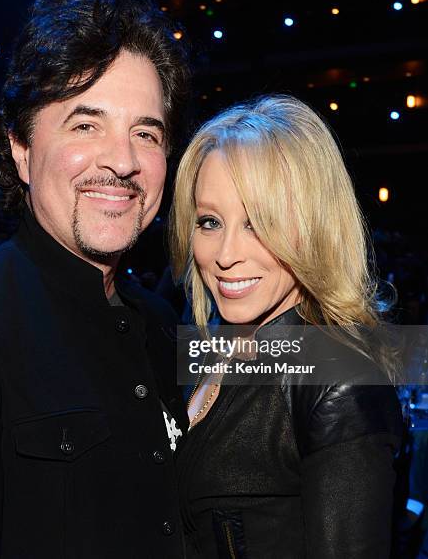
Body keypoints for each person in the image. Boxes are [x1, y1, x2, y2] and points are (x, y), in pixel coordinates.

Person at [0, 0, 190, 558]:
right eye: (85, 124)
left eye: (145, 132)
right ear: (20, 147)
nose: (122, 161)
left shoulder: (163, 321)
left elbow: (302, 361)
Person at [169, 94, 404, 558]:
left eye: (259, 223)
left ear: (313, 227)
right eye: (210, 221)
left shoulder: (339, 382)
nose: (226, 254)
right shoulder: (204, 353)